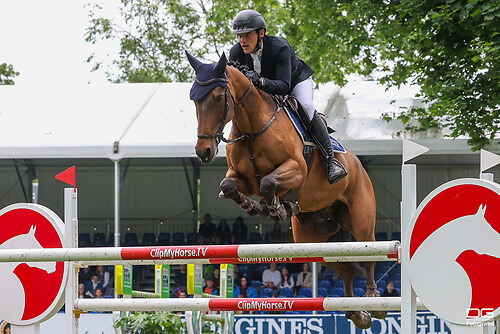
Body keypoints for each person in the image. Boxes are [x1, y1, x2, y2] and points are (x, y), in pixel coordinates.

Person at [229, 9, 347, 184]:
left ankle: (331, 160)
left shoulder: (280, 47)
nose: (242, 41)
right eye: (239, 36)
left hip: (295, 83)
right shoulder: (236, 53)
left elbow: (284, 86)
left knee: (305, 105)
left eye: (246, 35)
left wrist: (260, 82)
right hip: (265, 90)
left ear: (261, 33)